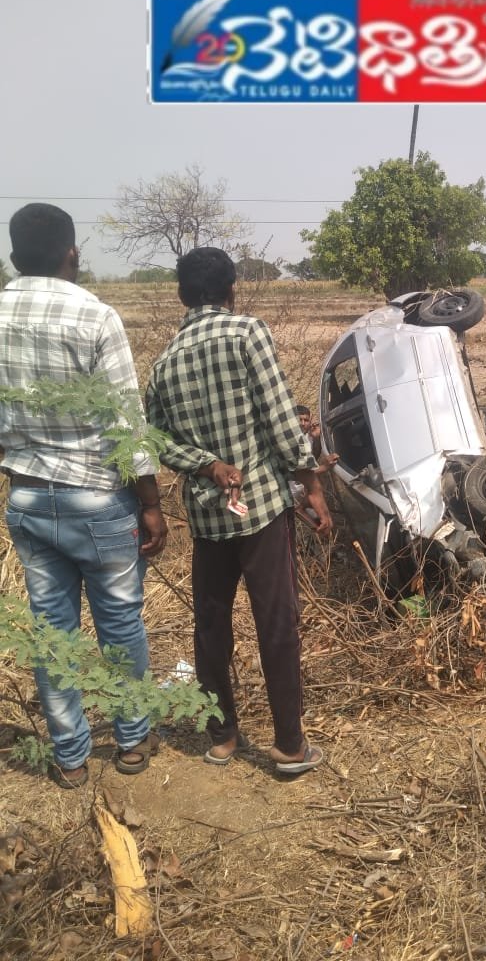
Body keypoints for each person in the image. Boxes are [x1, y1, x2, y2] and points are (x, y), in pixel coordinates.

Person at [0, 203, 167, 789]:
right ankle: (130, 740)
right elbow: (128, 423)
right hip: (98, 499)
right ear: (72, 254)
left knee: (53, 632)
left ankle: (69, 756)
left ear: (16, 257)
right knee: (120, 623)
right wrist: (150, 503)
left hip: (26, 499)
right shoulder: (96, 316)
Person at [146, 247, 332, 773]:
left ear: (183, 296)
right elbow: (278, 418)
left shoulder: (164, 363)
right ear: (231, 290)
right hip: (263, 512)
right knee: (276, 621)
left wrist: (205, 464)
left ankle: (222, 737)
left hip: (208, 517)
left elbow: (153, 439)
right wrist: (311, 483)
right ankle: (290, 745)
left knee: (211, 624)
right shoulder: (247, 333)